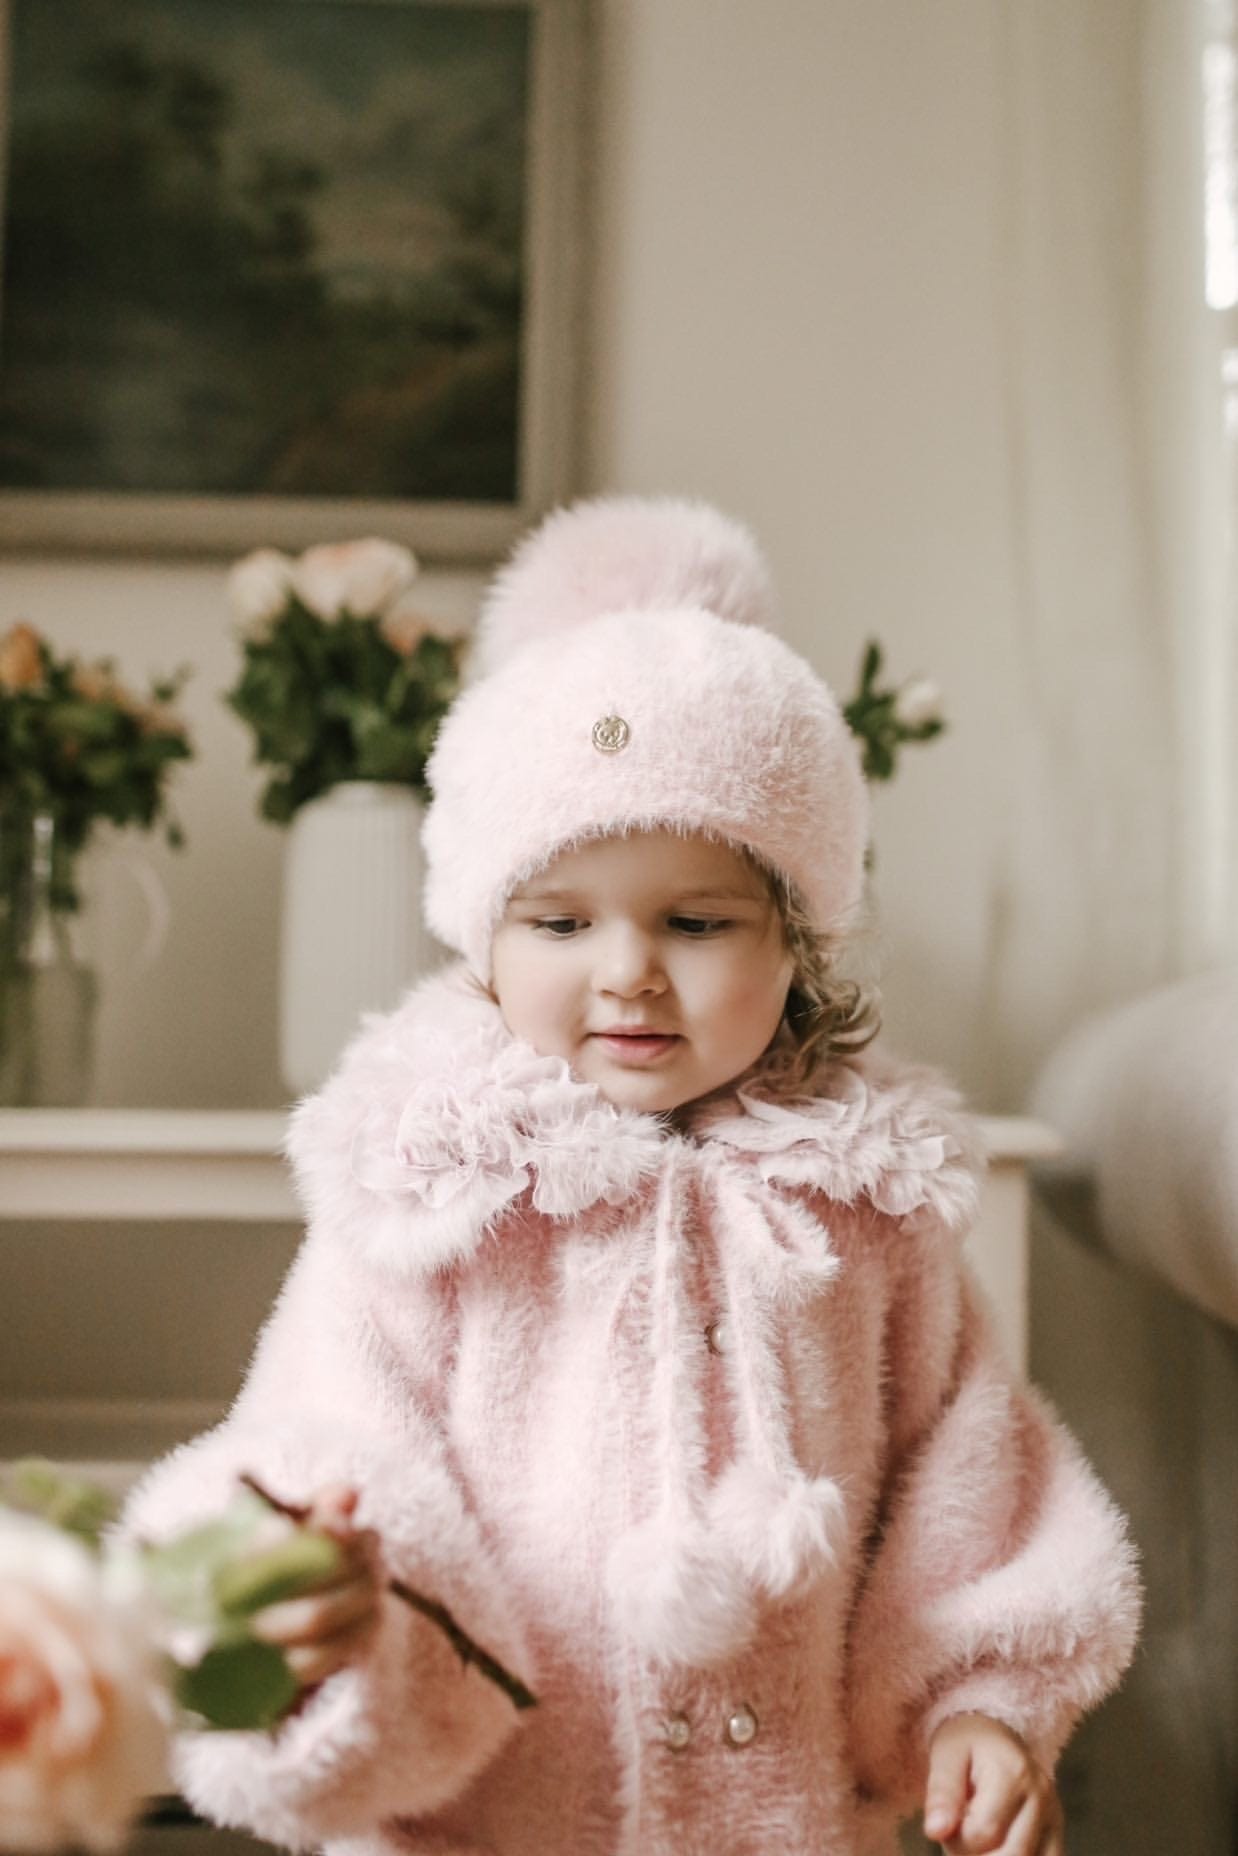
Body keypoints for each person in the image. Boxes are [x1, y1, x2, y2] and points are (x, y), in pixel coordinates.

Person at [125, 497, 1141, 1856]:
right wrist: (313, 1601)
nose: (626, 973)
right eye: (559, 922)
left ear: (796, 942)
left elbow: (968, 1478)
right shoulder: (433, 1205)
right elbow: (323, 1448)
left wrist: (979, 1704)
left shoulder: (866, 1217)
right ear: (483, 943)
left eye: (696, 921)